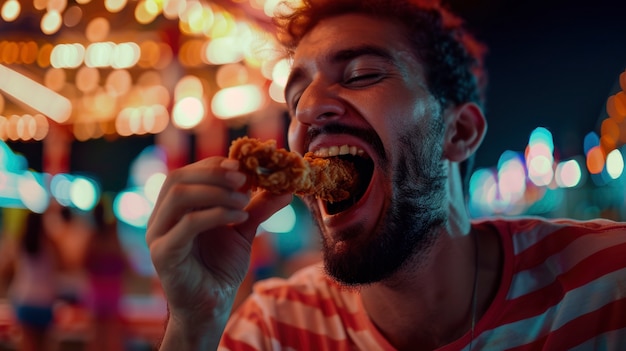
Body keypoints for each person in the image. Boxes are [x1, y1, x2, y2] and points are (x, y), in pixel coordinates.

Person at [145, 0, 626, 349]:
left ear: (457, 132)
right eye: (294, 100)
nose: (308, 109)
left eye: (360, 75)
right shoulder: (275, 328)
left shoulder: (607, 284)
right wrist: (193, 326)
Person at [3, 210, 61, 351]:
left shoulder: (20, 243)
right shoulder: (50, 244)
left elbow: (6, 269)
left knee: (27, 346)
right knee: (44, 346)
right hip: (45, 301)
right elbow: (63, 265)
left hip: (25, 298)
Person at [83, 197, 131, 351]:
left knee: (96, 336)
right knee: (112, 336)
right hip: (112, 289)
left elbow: (84, 263)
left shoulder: (93, 238)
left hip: (96, 289)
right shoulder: (113, 237)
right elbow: (125, 264)